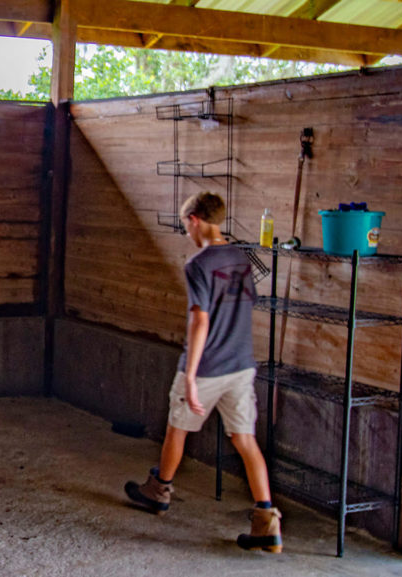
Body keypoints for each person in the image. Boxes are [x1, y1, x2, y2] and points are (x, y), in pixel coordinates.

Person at [123, 192, 282, 553]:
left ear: (194, 219)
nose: (187, 234)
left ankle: (159, 491)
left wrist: (191, 377)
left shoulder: (198, 264)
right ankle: (267, 521)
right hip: (241, 366)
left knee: (177, 430)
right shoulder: (242, 260)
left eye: (185, 226)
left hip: (207, 366)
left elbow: (200, 319)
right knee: (246, 440)